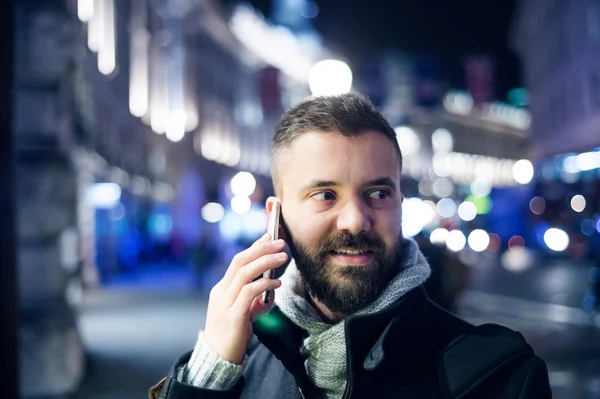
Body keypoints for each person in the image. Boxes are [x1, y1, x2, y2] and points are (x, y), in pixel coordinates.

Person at [150, 94, 551, 399]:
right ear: (277, 217)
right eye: (325, 194)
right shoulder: (235, 366)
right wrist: (207, 376)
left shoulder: (500, 375)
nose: (356, 220)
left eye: (377, 193)